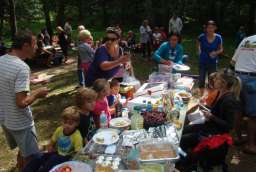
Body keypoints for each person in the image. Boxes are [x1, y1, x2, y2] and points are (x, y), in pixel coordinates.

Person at [0, 31, 48, 171]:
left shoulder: (2, 60)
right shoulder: (22, 67)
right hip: (21, 122)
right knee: (32, 158)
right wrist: (38, 93)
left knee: (23, 150)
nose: (37, 48)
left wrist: (28, 82)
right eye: (34, 45)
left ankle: (20, 168)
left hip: (5, 119)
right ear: (25, 45)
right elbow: (22, 102)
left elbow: (6, 84)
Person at [180, 69, 241, 171]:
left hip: (215, 134)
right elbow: (217, 112)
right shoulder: (220, 93)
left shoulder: (229, 100)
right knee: (183, 130)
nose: (213, 80)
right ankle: (187, 160)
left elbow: (229, 126)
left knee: (183, 139)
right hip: (209, 126)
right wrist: (205, 108)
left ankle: (186, 164)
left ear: (223, 83)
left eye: (216, 79)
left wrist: (211, 116)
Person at [22, 106, 83, 172]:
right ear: (61, 121)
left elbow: (78, 153)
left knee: (50, 162)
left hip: (67, 158)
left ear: (76, 124)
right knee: (37, 157)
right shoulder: (59, 130)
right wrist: (50, 147)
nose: (67, 126)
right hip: (57, 153)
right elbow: (52, 142)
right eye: (65, 122)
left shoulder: (77, 136)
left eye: (70, 123)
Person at [231, 35, 256, 153]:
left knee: (238, 110)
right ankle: (251, 145)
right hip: (252, 79)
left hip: (238, 78)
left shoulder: (246, 39)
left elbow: (232, 61)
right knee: (253, 115)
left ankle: (238, 138)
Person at [197, 20, 223, 90]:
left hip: (213, 62)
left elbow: (221, 49)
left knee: (212, 82)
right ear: (206, 28)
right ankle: (201, 96)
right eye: (208, 27)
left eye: (212, 27)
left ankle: (210, 98)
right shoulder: (201, 37)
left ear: (215, 28)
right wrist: (199, 52)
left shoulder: (218, 37)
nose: (210, 29)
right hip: (202, 61)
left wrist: (215, 53)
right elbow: (198, 46)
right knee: (201, 81)